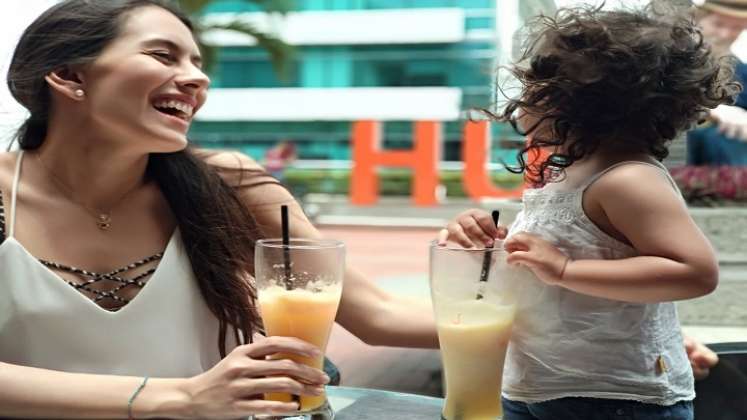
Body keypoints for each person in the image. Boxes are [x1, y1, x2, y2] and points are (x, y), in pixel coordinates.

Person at [0, 1, 437, 418]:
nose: (197, 80)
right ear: (68, 74)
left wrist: (499, 303)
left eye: (197, 63)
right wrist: (179, 396)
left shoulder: (229, 184)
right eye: (163, 55)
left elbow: (379, 315)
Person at [437, 3, 736, 419]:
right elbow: (545, 253)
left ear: (581, 104)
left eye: (536, 90)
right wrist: (479, 236)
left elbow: (694, 271)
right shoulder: (567, 176)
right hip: (537, 385)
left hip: (613, 399)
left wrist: (564, 270)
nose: (521, 104)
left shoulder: (628, 179)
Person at [687, 0, 747, 165]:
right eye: (718, 24)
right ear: (696, 19)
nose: (725, 34)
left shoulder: (741, 71)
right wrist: (712, 111)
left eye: (736, 28)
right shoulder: (664, 58)